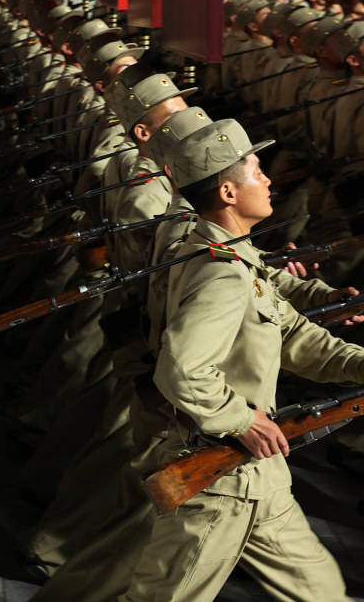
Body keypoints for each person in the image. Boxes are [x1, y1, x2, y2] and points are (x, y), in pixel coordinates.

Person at [119, 118, 364, 602]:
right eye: (256, 172)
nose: (269, 179)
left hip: (259, 472)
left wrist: (359, 364)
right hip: (223, 476)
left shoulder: (227, 253)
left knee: (321, 591)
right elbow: (183, 369)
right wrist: (241, 419)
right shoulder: (222, 275)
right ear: (228, 193)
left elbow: (292, 335)